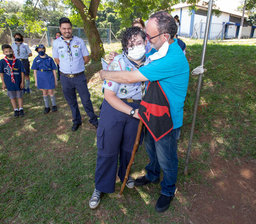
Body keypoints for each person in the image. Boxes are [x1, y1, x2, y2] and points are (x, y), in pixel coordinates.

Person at [100, 11, 189, 213]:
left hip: (167, 119)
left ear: (165, 37)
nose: (147, 40)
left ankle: (167, 190)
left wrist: (106, 73)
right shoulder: (158, 51)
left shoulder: (171, 59)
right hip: (151, 112)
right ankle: (152, 174)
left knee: (167, 156)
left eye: (149, 36)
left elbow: (132, 77)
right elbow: (138, 58)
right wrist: (118, 56)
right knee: (150, 147)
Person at [89, 27, 147, 210]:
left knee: (130, 148)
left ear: (145, 42)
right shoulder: (117, 63)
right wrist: (132, 112)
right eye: (131, 44)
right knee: (108, 148)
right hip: (115, 107)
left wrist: (137, 111)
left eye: (139, 42)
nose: (136, 47)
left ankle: (125, 174)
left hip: (138, 108)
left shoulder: (152, 62)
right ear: (125, 47)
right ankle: (101, 186)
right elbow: (109, 95)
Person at [52, 17, 98, 131]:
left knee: (86, 99)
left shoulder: (79, 41)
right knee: (71, 101)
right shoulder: (56, 43)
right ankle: (76, 121)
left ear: (71, 29)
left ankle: (93, 119)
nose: (67, 31)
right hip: (65, 78)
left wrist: (77, 66)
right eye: (64, 29)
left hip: (79, 77)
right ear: (60, 29)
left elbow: (86, 58)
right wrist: (67, 68)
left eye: (68, 28)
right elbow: (57, 59)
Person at [0, 44, 25, 117]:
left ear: (12, 51)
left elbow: (22, 72)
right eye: (6, 52)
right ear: (4, 53)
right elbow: (1, 73)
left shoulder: (18, 61)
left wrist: (22, 82)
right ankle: (15, 109)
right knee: (12, 97)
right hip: (9, 82)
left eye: (10, 51)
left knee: (19, 96)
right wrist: (3, 83)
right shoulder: (2, 62)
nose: (9, 53)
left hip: (18, 81)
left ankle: (21, 108)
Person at [32, 44, 58, 114]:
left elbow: (54, 70)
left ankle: (54, 105)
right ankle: (47, 107)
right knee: (44, 92)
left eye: (42, 49)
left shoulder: (49, 59)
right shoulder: (36, 59)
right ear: (37, 50)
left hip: (49, 76)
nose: (41, 51)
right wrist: (36, 81)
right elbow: (35, 71)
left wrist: (55, 80)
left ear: (44, 49)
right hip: (41, 77)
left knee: (51, 92)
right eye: (39, 50)